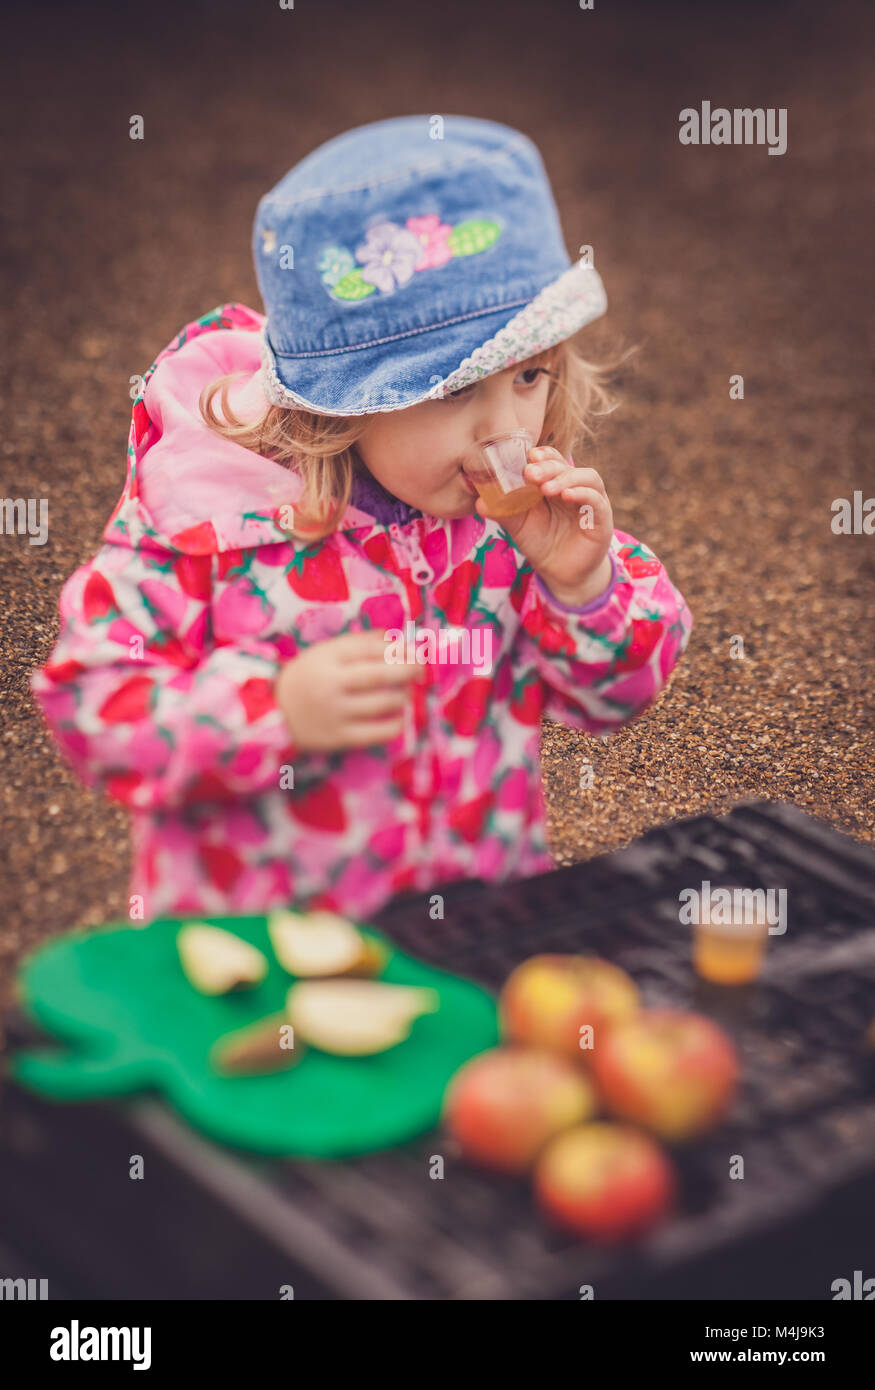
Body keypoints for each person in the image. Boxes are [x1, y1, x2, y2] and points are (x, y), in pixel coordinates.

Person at [31, 115, 693, 924]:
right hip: (267, 967)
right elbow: (93, 705)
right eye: (453, 389)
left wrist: (583, 584)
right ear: (337, 406)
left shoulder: (512, 531)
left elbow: (614, 696)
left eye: (529, 376)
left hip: (471, 946)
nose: (507, 433)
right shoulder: (207, 528)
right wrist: (273, 712)